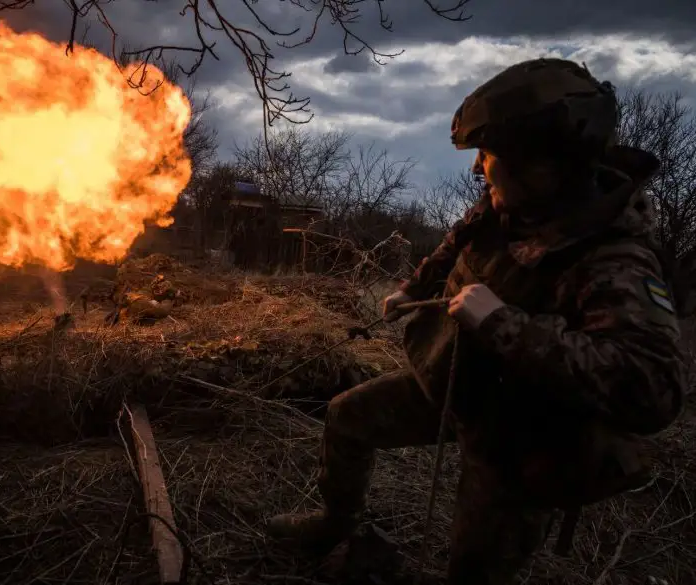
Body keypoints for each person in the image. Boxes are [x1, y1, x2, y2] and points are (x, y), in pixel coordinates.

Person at [265, 58, 686, 584]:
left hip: (522, 438)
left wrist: (503, 323)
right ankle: (334, 522)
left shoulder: (615, 260)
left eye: (488, 155)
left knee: (474, 569)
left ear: (540, 166)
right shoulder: (508, 205)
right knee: (347, 416)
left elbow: (653, 389)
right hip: (455, 386)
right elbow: (455, 246)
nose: (478, 168)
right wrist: (410, 290)